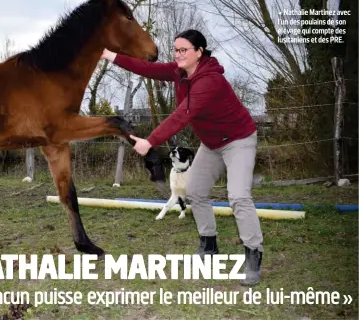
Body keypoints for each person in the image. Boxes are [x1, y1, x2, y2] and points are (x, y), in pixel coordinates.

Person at [101, 29, 263, 286]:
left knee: (239, 196)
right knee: (196, 192)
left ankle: (253, 256)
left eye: (183, 50)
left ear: (199, 52)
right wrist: (110, 54)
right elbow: (146, 68)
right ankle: (209, 248)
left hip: (238, 141)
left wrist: (150, 141)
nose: (178, 54)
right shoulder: (178, 72)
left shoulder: (210, 80)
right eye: (175, 49)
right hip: (211, 144)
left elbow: (182, 114)